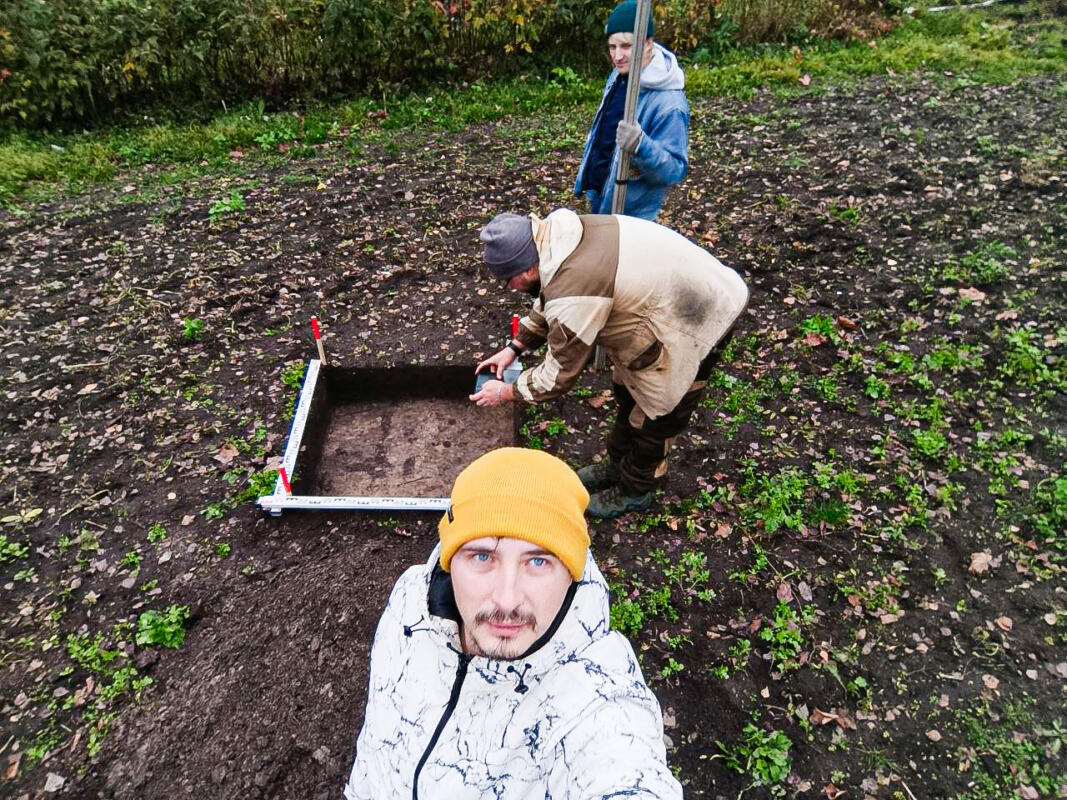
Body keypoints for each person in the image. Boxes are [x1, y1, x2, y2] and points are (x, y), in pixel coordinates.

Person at [343, 447, 683, 799]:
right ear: (450, 561)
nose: (507, 600)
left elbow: (625, 773)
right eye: (482, 556)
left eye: (537, 562)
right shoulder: (411, 598)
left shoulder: (599, 699)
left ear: (571, 572)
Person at [470, 209, 749, 518]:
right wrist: (515, 347)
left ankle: (636, 490)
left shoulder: (575, 289)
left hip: (701, 315)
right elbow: (549, 299)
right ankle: (616, 467)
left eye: (508, 280)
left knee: (658, 414)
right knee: (629, 395)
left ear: (528, 269)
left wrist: (506, 393)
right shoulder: (554, 242)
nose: (509, 288)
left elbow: (558, 376)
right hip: (669, 294)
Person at [574, 0, 689, 221]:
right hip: (601, 195)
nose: (617, 56)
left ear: (647, 44)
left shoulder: (670, 103)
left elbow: (674, 170)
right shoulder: (619, 74)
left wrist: (640, 145)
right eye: (612, 46)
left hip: (631, 215)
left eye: (626, 46)